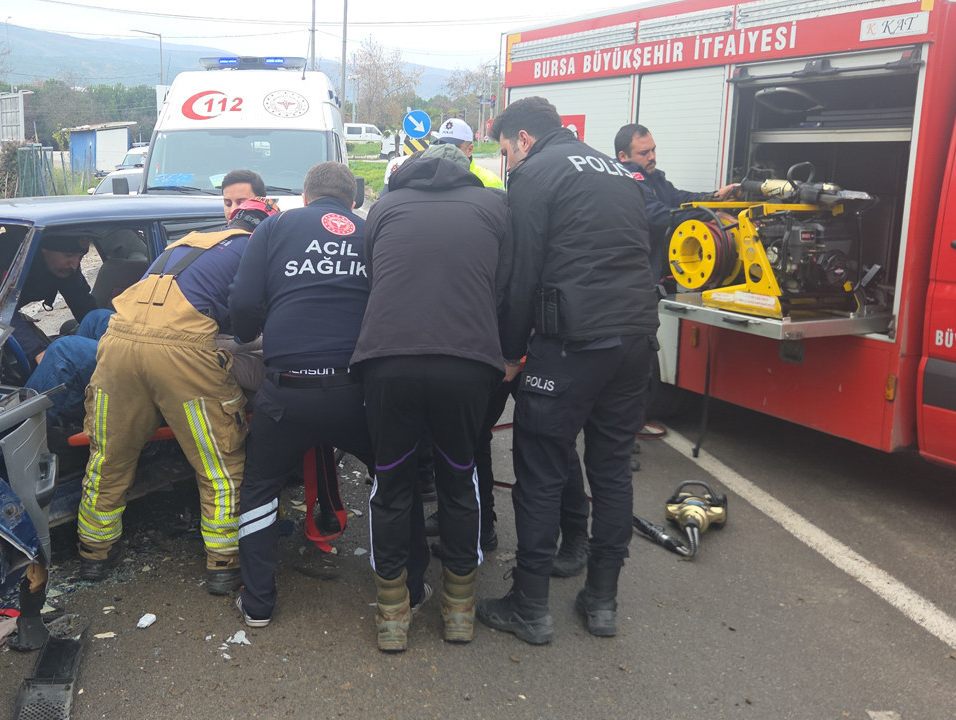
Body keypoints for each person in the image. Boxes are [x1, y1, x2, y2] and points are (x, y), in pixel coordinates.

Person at [476, 96, 658, 644]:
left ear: (524, 139)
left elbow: (521, 274)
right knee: (611, 467)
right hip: (635, 340)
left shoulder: (536, 174)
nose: (506, 162)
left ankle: (529, 605)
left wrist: (510, 354)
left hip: (572, 342)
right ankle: (602, 598)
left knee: (540, 466)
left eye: (506, 151)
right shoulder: (616, 170)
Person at [352, 142, 512, 651]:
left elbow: (375, 277)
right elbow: (502, 286)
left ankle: (392, 614)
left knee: (392, 485)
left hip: (389, 360)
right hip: (466, 362)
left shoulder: (385, 206)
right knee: (458, 479)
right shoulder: (493, 206)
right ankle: (460, 611)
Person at [75, 196, 279, 590]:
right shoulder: (255, 248)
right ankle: (223, 563)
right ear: (268, 228)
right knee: (219, 464)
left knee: (109, 457)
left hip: (117, 344)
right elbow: (248, 315)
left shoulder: (185, 243)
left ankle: (94, 554)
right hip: (181, 353)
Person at [230, 162, 373, 628]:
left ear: (306, 198)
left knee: (259, 488)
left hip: (286, 390)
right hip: (355, 391)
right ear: (351, 202)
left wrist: (250, 331)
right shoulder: (371, 230)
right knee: (394, 477)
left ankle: (258, 604)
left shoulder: (275, 226)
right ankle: (405, 590)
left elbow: (245, 301)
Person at [23, 169, 268, 426]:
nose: (232, 211)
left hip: (183, 350)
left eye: (241, 203)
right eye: (227, 203)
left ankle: (21, 434)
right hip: (170, 335)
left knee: (64, 351)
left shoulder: (253, 251)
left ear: (259, 204)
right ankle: (82, 401)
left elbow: (245, 322)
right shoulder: (216, 244)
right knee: (96, 318)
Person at [0, 230, 98, 368]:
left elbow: (82, 303)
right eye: (69, 255)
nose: (75, 264)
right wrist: (39, 354)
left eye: (80, 256)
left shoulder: (64, 266)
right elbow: (0, 312)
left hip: (3, 308)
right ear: (44, 249)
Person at [614, 123, 739, 280]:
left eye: (653, 150)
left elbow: (679, 198)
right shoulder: (626, 181)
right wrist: (711, 215)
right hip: (635, 275)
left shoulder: (653, 178)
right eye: (644, 153)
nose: (652, 157)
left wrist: (715, 197)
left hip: (654, 272)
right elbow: (658, 216)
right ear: (623, 157)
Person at [434, 118, 504, 189]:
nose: (447, 149)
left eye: (454, 147)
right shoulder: (429, 177)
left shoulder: (490, 181)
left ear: (470, 150)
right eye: (442, 145)